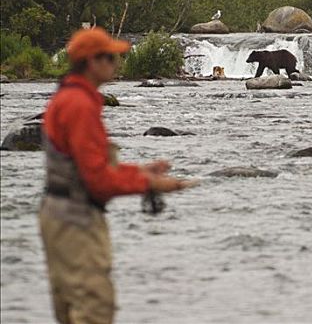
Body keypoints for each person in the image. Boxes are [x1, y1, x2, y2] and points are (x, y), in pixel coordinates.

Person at [39, 27, 198, 324]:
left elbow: (87, 165)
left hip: (60, 213)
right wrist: (150, 183)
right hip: (76, 221)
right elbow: (97, 180)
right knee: (94, 310)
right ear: (92, 62)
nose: (117, 63)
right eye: (111, 57)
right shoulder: (80, 105)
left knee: (70, 311)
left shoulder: (69, 97)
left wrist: (139, 170)